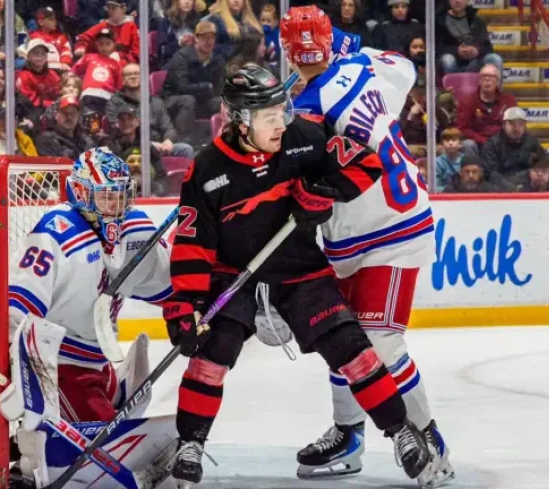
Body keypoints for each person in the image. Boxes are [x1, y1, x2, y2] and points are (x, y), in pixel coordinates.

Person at [162, 65, 433, 488]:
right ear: (238, 120)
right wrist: (185, 305)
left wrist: (325, 193)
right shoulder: (208, 168)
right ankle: (190, 443)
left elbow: (367, 162)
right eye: (268, 116)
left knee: (354, 349)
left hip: (300, 270)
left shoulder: (303, 138)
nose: (279, 122)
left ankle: (402, 433)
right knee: (211, 355)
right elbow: (194, 246)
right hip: (235, 276)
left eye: (281, 111)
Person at [280, 6, 451, 487]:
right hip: (355, 231)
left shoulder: (308, 112)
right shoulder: (368, 67)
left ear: (288, 52)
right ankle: (349, 434)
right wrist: (350, 43)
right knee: (343, 337)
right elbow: (407, 66)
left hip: (391, 231)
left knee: (380, 340)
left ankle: (426, 436)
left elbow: (295, 164)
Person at [0, 146, 179, 489]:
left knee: (114, 427)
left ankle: (113, 389)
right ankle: (31, 453)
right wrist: (23, 374)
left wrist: (193, 306)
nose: (116, 207)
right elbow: (17, 309)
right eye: (106, 197)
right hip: (60, 368)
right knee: (109, 450)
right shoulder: (55, 233)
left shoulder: (134, 228)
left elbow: (168, 285)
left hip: (98, 363)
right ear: (81, 193)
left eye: (121, 197)